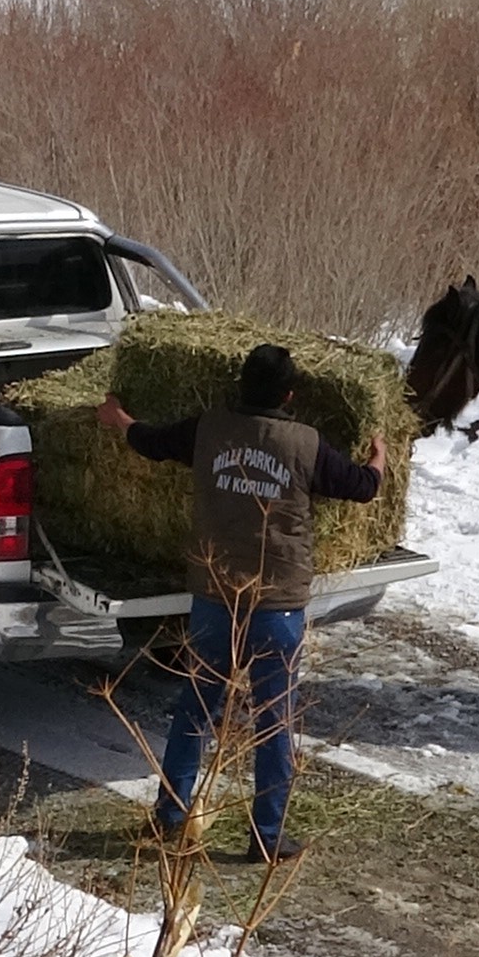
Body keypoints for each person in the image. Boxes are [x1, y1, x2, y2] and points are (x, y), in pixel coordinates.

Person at [99, 345, 387, 863]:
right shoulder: (306, 444)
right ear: (291, 395)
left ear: (239, 385)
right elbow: (362, 487)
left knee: (196, 708)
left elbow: (151, 441)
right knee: (274, 720)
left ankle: (170, 816)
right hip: (276, 605)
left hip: (214, 596)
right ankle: (266, 837)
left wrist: (117, 418)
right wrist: (380, 457)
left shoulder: (208, 429)